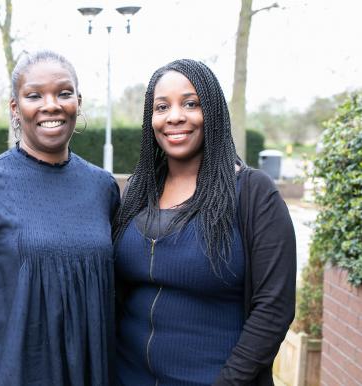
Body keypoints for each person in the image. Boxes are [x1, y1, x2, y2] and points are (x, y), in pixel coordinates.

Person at [0, 50, 120, 386]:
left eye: (63, 93)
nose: (51, 105)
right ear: (15, 107)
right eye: (34, 95)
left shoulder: (102, 188)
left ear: (78, 100)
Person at [113, 59, 295, 386]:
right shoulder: (138, 192)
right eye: (162, 107)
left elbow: (273, 309)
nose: (175, 116)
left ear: (212, 111)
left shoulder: (253, 194)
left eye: (190, 103)